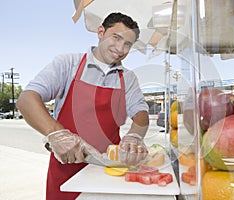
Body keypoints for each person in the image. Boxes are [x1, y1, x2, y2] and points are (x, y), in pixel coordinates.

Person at [16, 12, 149, 200]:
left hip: (109, 171)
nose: (121, 48)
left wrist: (135, 136)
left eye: (128, 44)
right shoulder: (68, 64)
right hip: (66, 170)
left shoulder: (128, 78)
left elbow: (141, 112)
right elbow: (27, 99)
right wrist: (57, 134)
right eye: (116, 37)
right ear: (101, 32)